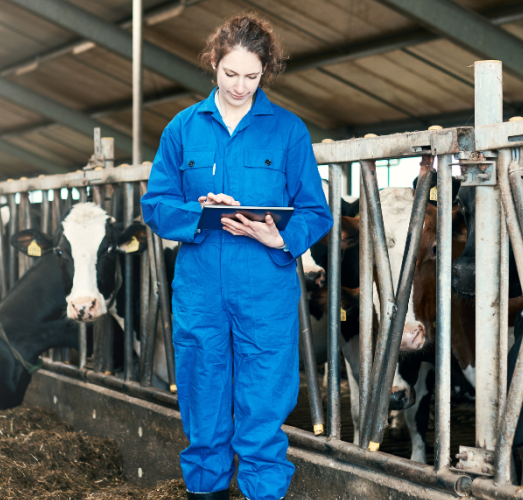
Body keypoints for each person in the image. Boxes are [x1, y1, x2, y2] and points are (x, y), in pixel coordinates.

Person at [140, 12, 333, 500]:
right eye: (231, 74)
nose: (241, 86)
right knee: (203, 400)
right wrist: (196, 209)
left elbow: (315, 210)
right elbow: (155, 206)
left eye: (252, 76)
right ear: (214, 64)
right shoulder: (183, 129)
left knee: (264, 407)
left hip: (265, 285)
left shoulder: (289, 131)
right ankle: (204, 490)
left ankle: (263, 491)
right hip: (201, 285)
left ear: (265, 71)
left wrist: (281, 240)